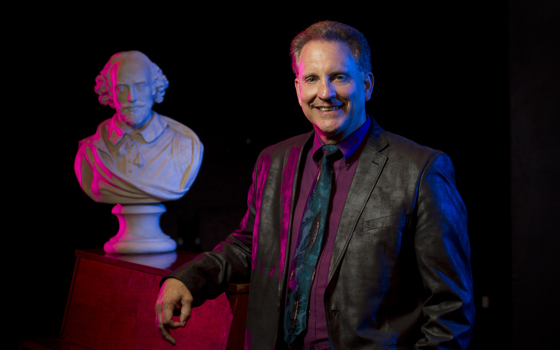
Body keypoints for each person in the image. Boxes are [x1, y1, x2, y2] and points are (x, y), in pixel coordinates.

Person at [155, 21, 474, 349]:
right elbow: (250, 245)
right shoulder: (273, 161)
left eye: (339, 77)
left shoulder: (420, 170)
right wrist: (189, 279)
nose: (325, 93)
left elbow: (450, 306)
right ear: (298, 89)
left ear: (366, 85)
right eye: (312, 79)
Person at [75, 51, 202, 205]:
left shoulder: (184, 147)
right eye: (122, 88)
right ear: (110, 92)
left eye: (140, 86)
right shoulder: (90, 152)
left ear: (154, 88)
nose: (132, 98)